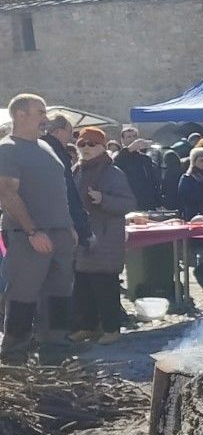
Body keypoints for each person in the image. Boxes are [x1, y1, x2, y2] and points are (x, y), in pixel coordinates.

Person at [0, 94, 77, 364]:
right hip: (29, 237)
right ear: (20, 114)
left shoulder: (46, 147)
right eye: (40, 111)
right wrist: (32, 231)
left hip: (59, 234)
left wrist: (69, 226)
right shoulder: (7, 148)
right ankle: (15, 357)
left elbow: (59, 191)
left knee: (59, 295)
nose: (46, 118)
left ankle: (55, 353)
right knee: (23, 295)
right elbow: (8, 194)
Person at [68, 126, 136, 345]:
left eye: (91, 144)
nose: (85, 148)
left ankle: (111, 328)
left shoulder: (113, 173)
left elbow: (128, 203)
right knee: (83, 284)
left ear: (101, 147)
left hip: (106, 238)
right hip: (83, 236)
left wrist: (103, 199)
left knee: (105, 284)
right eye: (82, 144)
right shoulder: (76, 170)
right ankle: (87, 326)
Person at [40, 114, 92, 250]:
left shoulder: (40, 149)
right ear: (58, 132)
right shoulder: (56, 154)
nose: (71, 138)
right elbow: (66, 193)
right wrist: (80, 228)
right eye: (70, 132)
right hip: (58, 227)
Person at [114, 126, 159, 210]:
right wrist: (130, 148)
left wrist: (157, 201)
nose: (132, 139)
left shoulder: (145, 159)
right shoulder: (119, 157)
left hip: (146, 202)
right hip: (127, 201)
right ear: (122, 140)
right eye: (129, 137)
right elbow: (117, 163)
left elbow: (153, 181)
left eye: (134, 136)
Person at [177, 147, 203, 219]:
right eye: (201, 161)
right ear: (194, 162)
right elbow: (184, 198)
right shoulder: (187, 178)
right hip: (195, 215)